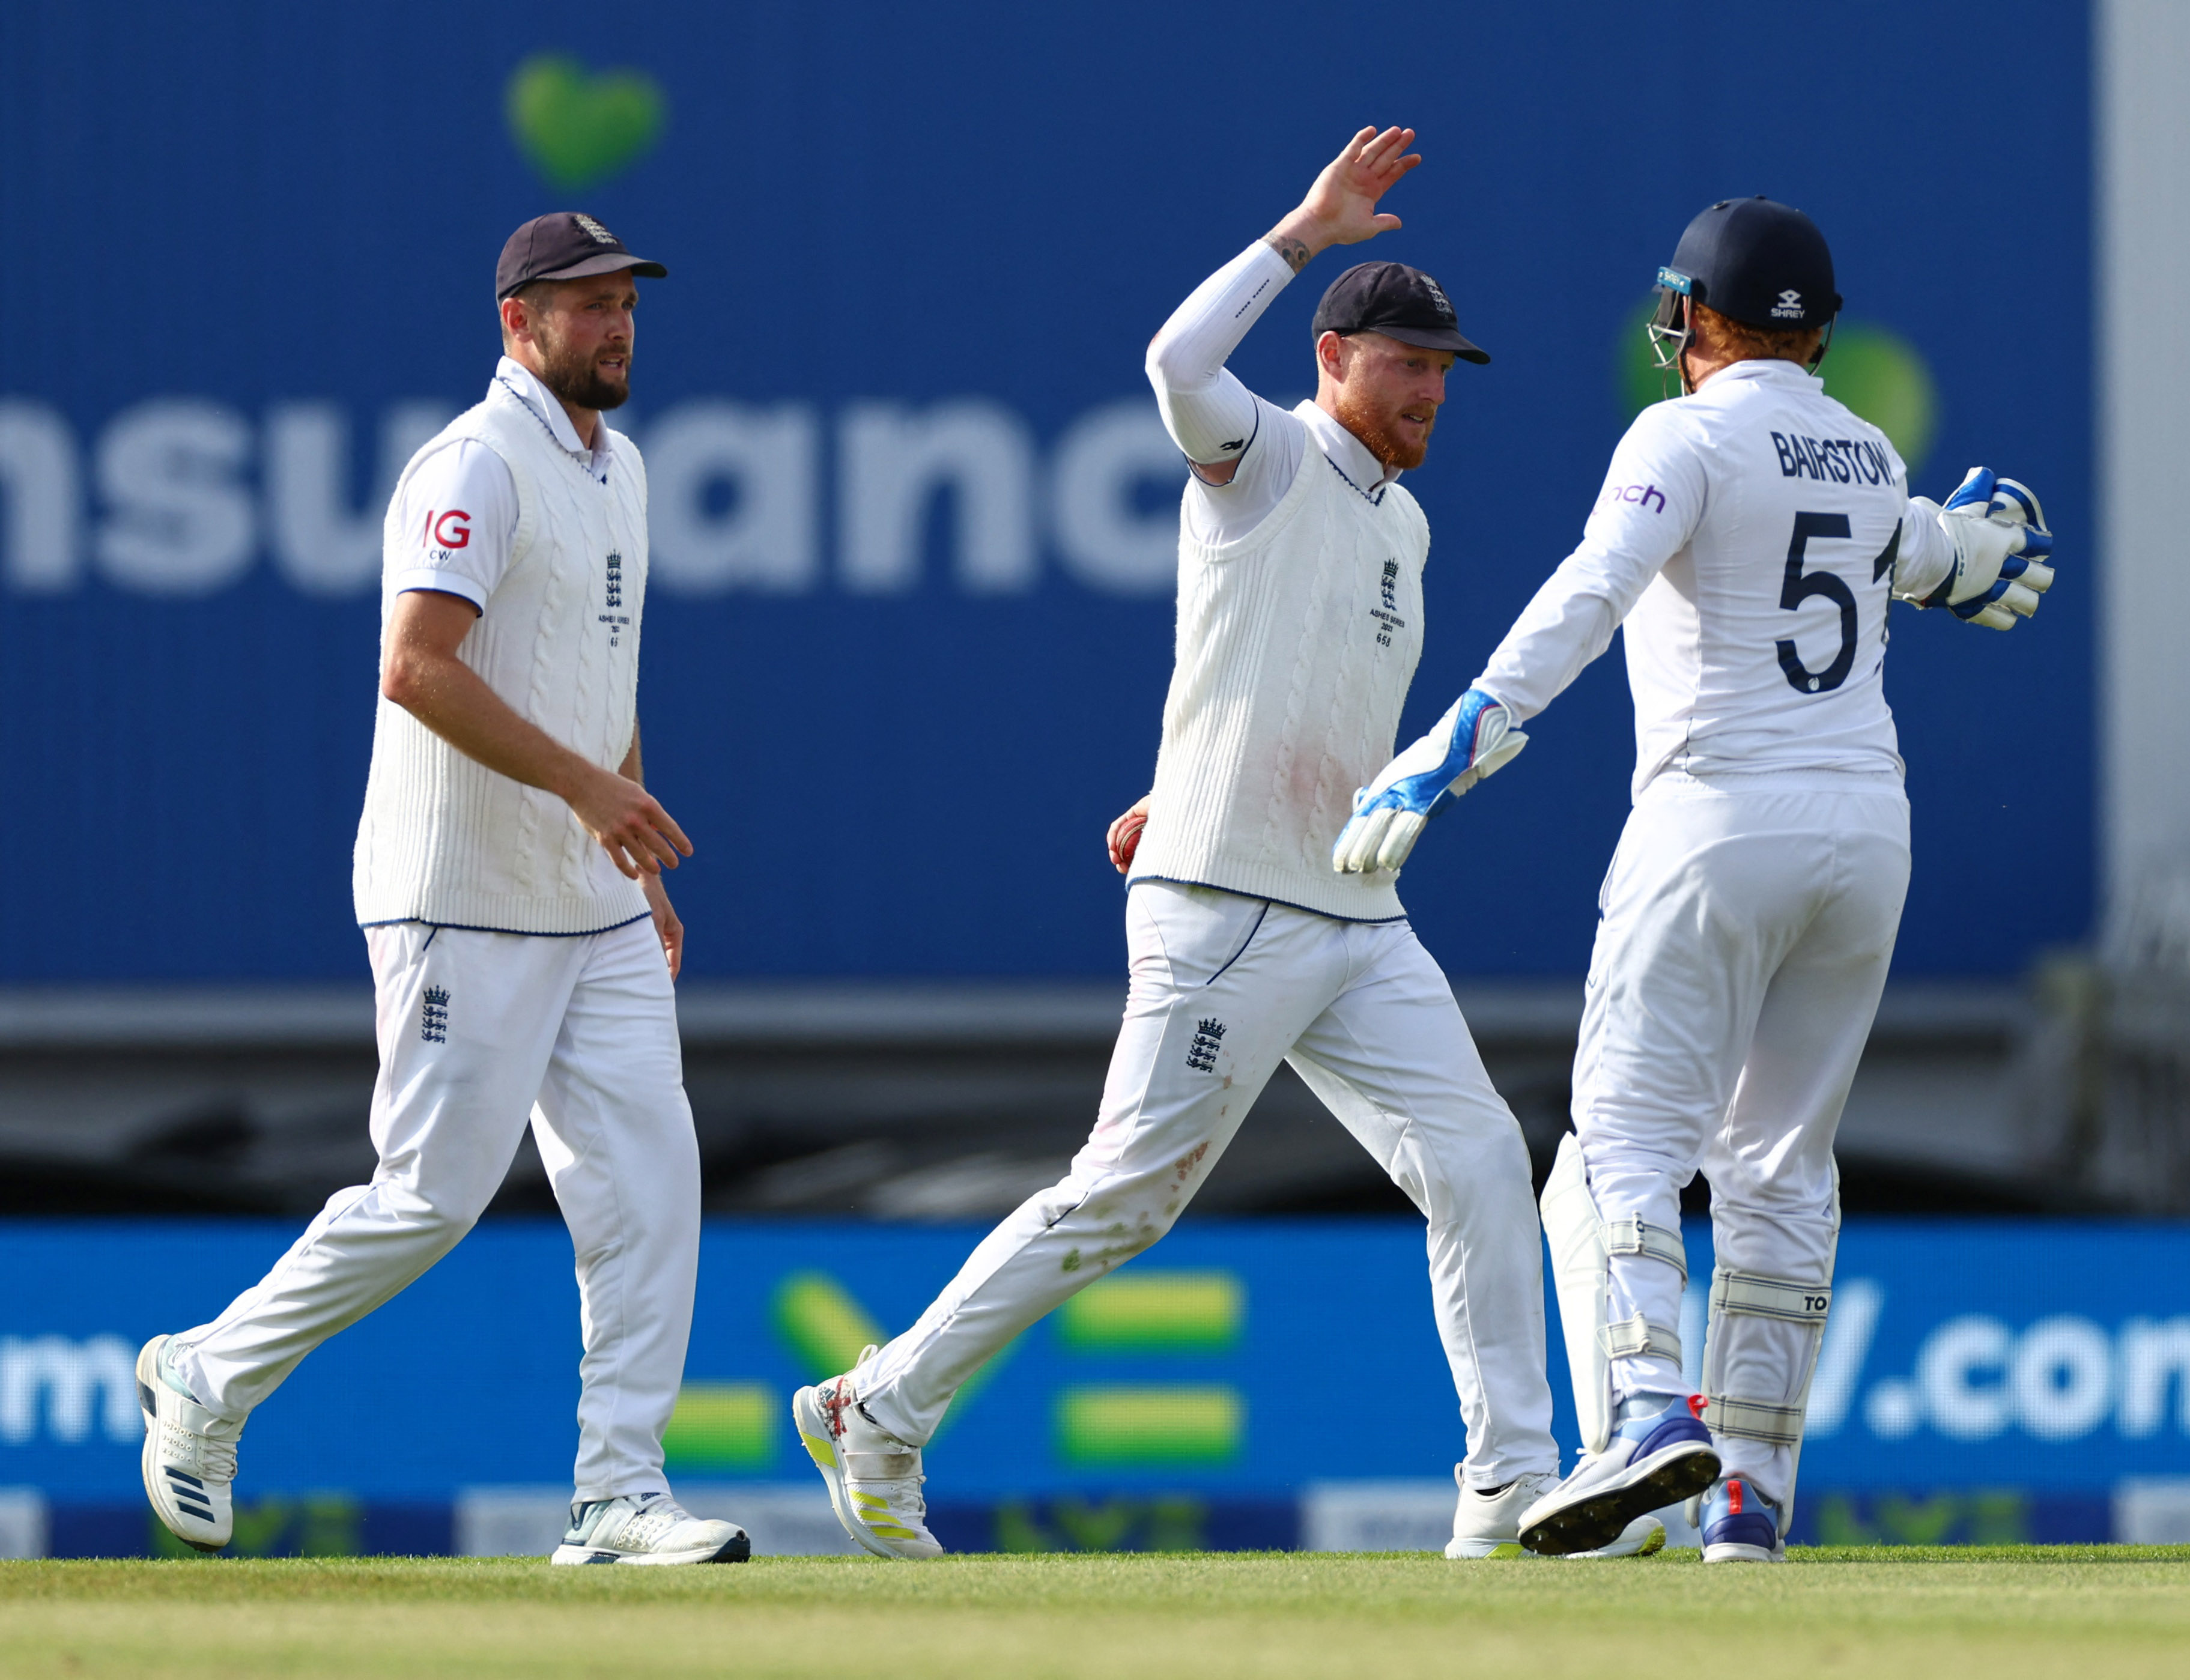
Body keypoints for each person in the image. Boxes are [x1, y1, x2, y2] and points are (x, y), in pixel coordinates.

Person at [792, 127, 1649, 1563]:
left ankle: (1510, 1485)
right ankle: (878, 1405)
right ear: (1333, 361)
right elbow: (1175, 368)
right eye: (1409, 363)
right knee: (1128, 1196)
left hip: (1355, 910)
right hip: (1227, 906)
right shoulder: (1268, 458)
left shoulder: (1409, 526)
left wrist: (1173, 772)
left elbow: (1282, 678)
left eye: (1446, 369)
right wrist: (1307, 230)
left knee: (1484, 1158)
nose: (1434, 389)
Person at [1334, 195, 2054, 1562]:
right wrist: (1978, 546)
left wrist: (1445, 754)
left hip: (1718, 821)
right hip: (1869, 835)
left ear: (1689, 318)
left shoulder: (1680, 433)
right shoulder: (1868, 448)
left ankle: (1651, 1413)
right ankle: (1753, 1498)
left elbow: (1590, 594)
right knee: (1781, 1162)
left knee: (1621, 1137)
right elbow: (1937, 553)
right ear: (1824, 329)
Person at [134, 213, 748, 1566]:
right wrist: (589, 793)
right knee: (430, 1195)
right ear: (518, 324)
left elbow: (606, 672)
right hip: (457, 893)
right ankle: (208, 1374)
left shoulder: (623, 468)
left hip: (590, 900)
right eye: (585, 306)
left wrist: (626, 837)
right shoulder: (475, 461)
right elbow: (416, 665)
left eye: (625, 302)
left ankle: (616, 1495)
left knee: (652, 1178)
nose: (617, 324)